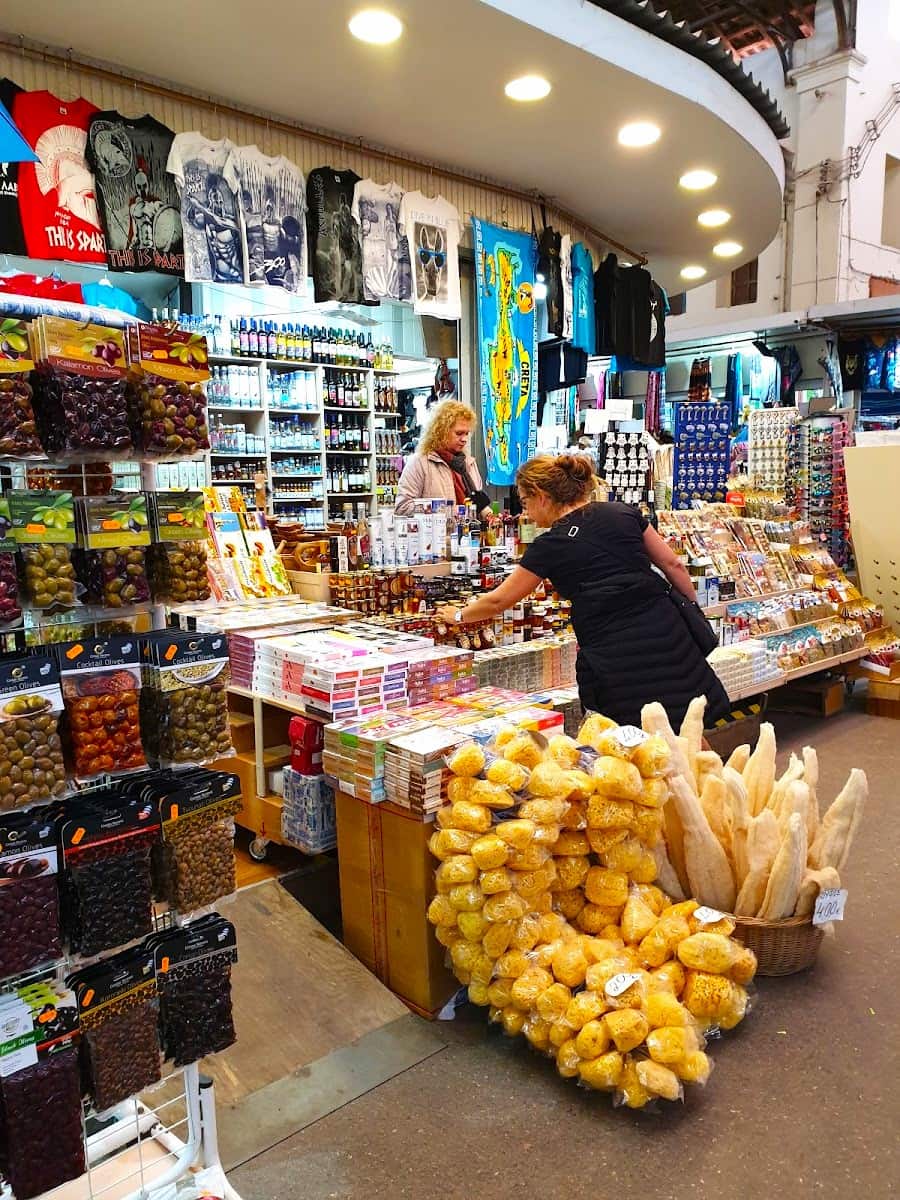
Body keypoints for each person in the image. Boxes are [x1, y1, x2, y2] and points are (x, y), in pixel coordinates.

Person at [435, 454, 729, 729]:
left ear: (543, 496)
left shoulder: (549, 546)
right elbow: (673, 564)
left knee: (637, 737)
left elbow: (500, 600)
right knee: (689, 723)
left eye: (525, 503)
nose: (527, 514)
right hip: (667, 633)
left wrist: (458, 614)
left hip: (614, 650)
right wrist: (690, 608)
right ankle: (708, 782)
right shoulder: (622, 513)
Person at [395, 399, 492, 519]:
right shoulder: (420, 463)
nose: (464, 439)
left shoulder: (469, 463)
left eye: (467, 433)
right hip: (435, 536)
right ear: (441, 432)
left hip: (469, 534)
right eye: (459, 433)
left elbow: (478, 505)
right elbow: (402, 507)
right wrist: (448, 510)